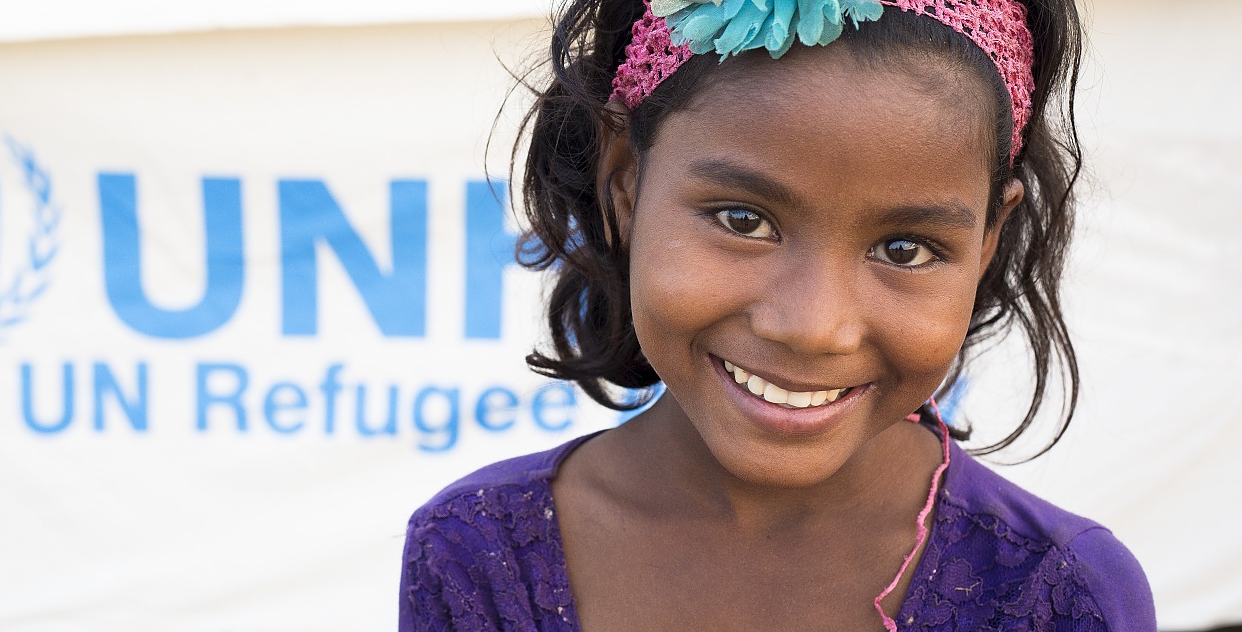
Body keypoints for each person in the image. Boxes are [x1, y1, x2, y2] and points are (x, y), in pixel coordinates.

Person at [399, 0, 1156, 629]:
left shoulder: (1056, 595)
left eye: (903, 247)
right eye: (742, 221)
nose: (813, 327)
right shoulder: (477, 552)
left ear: (989, 238)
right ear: (625, 182)